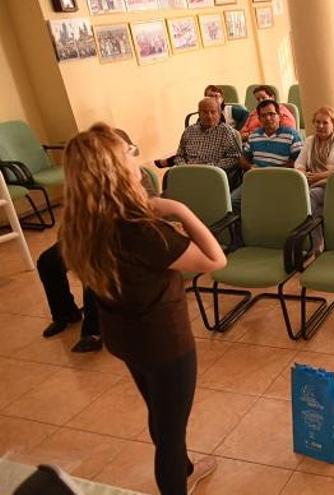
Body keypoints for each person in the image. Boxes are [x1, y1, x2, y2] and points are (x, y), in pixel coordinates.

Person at [59, 123, 226, 494]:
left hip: (124, 337)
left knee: (161, 412)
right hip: (164, 342)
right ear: (115, 169)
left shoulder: (81, 223)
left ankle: (185, 469)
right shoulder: (143, 229)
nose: (137, 155)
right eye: (130, 152)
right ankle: (176, 477)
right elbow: (215, 260)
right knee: (169, 432)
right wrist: (178, 209)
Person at [37, 129, 155, 354]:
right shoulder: (89, 182)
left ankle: (93, 330)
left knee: (95, 267)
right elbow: (74, 215)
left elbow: (149, 212)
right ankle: (65, 313)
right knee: (47, 261)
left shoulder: (140, 177)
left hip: (119, 241)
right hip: (86, 235)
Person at [233, 99, 304, 211]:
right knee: (233, 201)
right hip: (256, 180)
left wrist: (272, 171)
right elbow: (243, 159)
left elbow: (299, 162)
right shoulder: (254, 136)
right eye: (263, 115)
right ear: (259, 119)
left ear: (279, 116)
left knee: (271, 205)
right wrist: (250, 167)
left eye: (272, 114)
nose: (268, 118)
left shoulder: (291, 135)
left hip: (281, 180)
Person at [294, 106, 334, 220]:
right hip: (311, 183)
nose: (320, 126)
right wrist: (303, 173)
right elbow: (299, 163)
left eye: (325, 123)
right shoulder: (309, 141)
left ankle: (299, 228)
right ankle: (314, 236)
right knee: (316, 211)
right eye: (317, 122)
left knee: (310, 196)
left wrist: (318, 176)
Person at [169, 97, 243, 188]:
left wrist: (210, 168)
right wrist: (184, 167)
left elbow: (234, 158)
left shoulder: (227, 132)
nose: (209, 116)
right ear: (199, 114)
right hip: (188, 172)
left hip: (212, 174)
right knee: (169, 179)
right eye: (205, 112)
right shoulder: (189, 131)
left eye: (213, 112)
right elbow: (179, 155)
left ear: (219, 114)